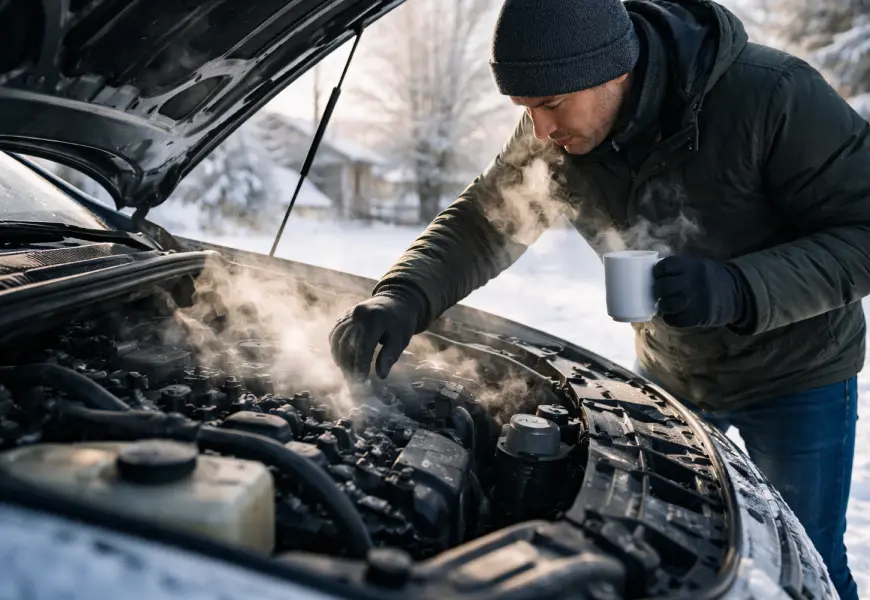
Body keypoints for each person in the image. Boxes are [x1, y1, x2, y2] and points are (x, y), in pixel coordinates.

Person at [328, 0, 868, 597]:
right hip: (672, 370)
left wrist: (742, 288)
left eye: (551, 106)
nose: (540, 131)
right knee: (663, 556)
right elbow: (485, 223)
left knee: (813, 559)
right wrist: (404, 294)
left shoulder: (772, 95)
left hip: (796, 376)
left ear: (616, 70)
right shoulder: (557, 132)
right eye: (526, 110)